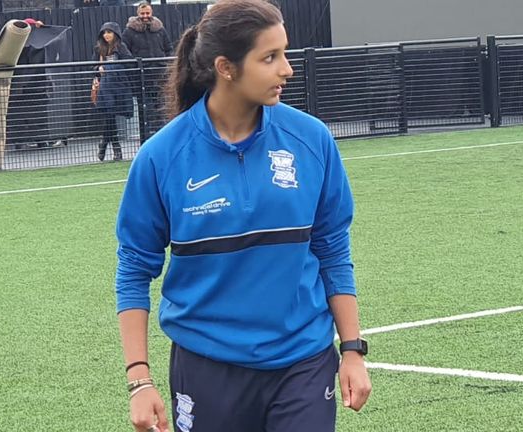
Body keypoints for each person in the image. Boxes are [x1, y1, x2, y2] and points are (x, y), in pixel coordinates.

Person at [114, 1, 372, 431]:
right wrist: (139, 380)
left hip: (303, 364)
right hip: (207, 369)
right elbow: (134, 269)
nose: (286, 69)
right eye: (269, 58)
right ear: (226, 67)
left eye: (285, 53)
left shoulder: (312, 140)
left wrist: (351, 349)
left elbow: (332, 249)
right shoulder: (161, 157)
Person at [121, 1, 173, 138]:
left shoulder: (160, 29)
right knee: (145, 109)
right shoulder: (130, 31)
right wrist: (134, 66)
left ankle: (161, 137)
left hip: (160, 75)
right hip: (141, 77)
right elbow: (123, 50)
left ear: (151, 13)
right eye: (142, 13)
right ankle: (146, 138)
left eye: (147, 13)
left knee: (161, 108)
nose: (145, 16)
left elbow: (169, 48)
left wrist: (166, 64)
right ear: (138, 14)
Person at [92, 22, 134, 161]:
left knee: (111, 117)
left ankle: (104, 143)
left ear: (115, 34)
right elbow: (92, 66)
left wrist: (109, 68)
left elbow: (129, 63)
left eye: (109, 32)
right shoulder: (99, 49)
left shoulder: (121, 47)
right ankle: (116, 148)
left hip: (119, 85)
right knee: (109, 115)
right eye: (104, 32)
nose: (106, 35)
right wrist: (98, 69)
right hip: (105, 86)